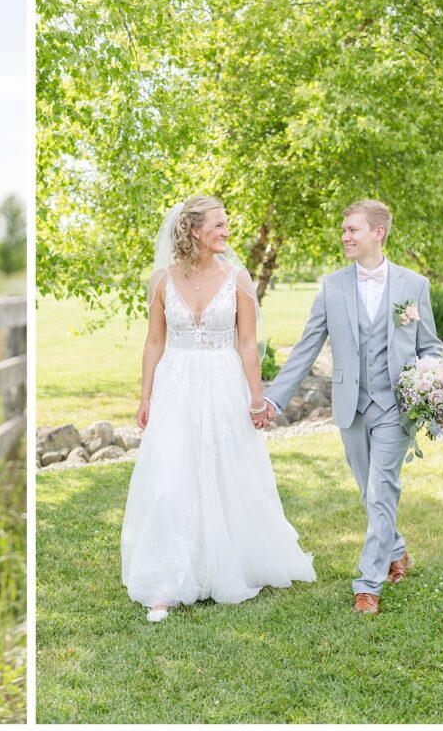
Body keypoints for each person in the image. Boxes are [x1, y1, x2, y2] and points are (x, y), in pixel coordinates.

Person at [120, 196, 316, 623]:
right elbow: (154, 341)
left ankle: (226, 565)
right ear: (193, 230)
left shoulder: (238, 277)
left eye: (227, 225)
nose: (227, 232)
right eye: (219, 225)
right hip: (176, 385)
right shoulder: (161, 280)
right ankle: (166, 582)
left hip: (223, 384)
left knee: (226, 473)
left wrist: (256, 396)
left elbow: (248, 343)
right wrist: (145, 395)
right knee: (172, 479)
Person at [264, 199, 443, 615]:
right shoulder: (332, 286)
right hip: (350, 404)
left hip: (396, 404)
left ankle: (368, 585)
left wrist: (431, 382)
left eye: (352, 230)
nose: (344, 236)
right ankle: (396, 549)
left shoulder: (414, 285)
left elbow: (429, 345)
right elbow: (307, 347)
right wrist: (275, 397)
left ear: (378, 233)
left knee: (382, 487)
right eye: (343, 230)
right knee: (369, 490)